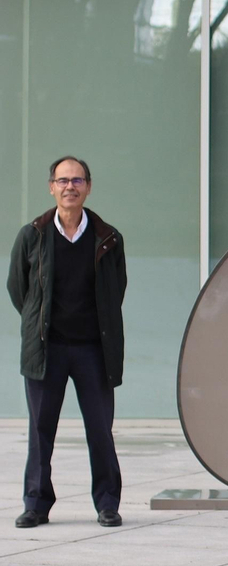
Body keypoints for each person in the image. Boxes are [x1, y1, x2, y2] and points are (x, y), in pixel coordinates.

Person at [8, 157, 126, 529]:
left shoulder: (108, 237)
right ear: (51, 187)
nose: (70, 187)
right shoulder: (33, 234)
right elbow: (19, 289)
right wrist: (39, 323)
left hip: (93, 349)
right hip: (47, 349)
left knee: (99, 429)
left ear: (88, 187)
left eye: (77, 180)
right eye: (63, 180)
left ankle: (107, 503)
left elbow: (115, 290)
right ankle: (36, 505)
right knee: (41, 431)